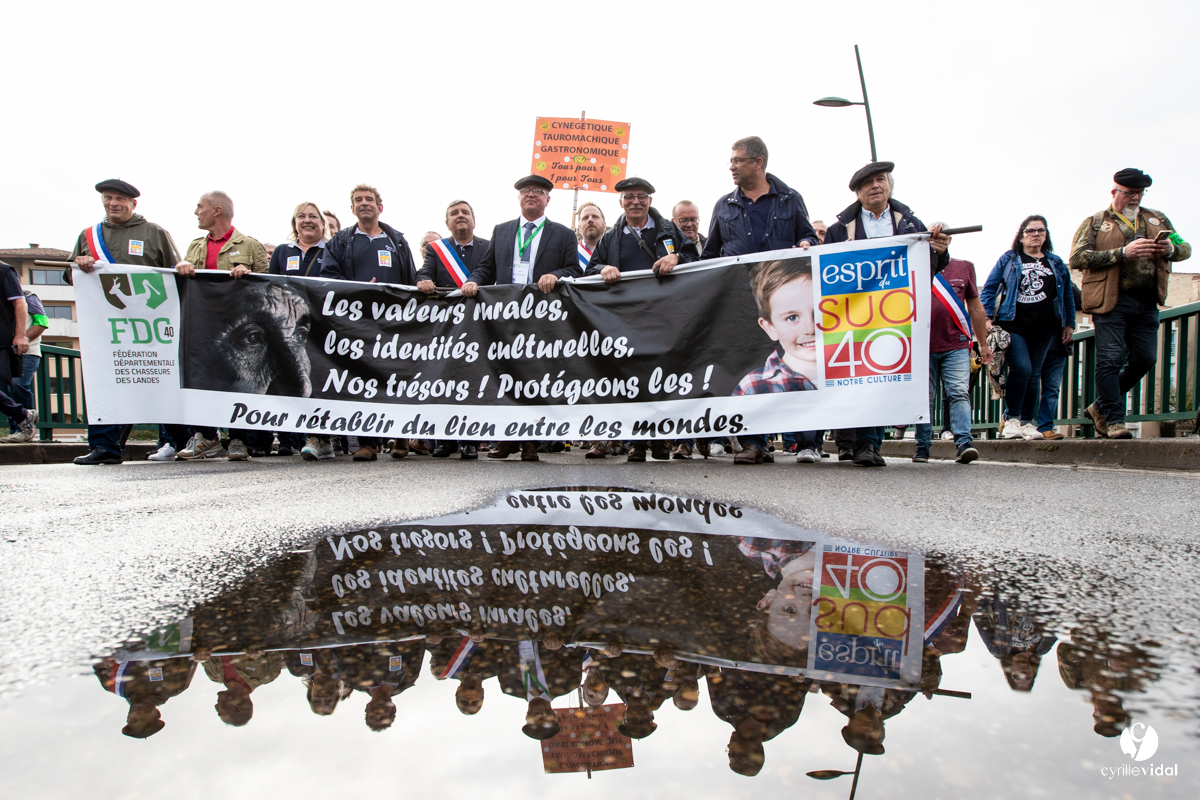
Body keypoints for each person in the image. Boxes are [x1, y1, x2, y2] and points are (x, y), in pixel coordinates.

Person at [700, 136, 818, 465]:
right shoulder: (724, 205)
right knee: (750, 367)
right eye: (731, 161)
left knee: (798, 363)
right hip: (739, 301)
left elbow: (807, 234)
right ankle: (753, 442)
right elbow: (710, 254)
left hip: (784, 298)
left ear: (758, 163)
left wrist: (807, 243)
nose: (731, 167)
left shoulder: (790, 199)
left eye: (737, 160)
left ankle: (807, 442)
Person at [825, 161, 951, 467]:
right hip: (853, 315)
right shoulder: (838, 230)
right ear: (857, 193)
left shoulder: (911, 224)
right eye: (867, 183)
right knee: (859, 377)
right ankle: (857, 440)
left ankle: (869, 443)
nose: (875, 186)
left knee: (884, 375)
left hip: (894, 313)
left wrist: (940, 250)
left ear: (890, 186)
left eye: (880, 179)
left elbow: (928, 268)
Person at [461, 175, 581, 462]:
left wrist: (556, 274)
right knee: (505, 374)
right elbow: (486, 268)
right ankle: (506, 438)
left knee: (533, 377)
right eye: (526, 191)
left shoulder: (563, 234)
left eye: (538, 191)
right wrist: (472, 281)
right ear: (518, 198)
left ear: (547, 199)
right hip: (505, 316)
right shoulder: (502, 230)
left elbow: (574, 270)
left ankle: (530, 441)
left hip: (541, 317)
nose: (531, 194)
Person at [1070, 168, 1191, 439]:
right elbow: (1077, 257)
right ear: (1114, 192)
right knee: (1110, 360)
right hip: (1110, 301)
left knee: (1145, 359)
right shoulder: (1096, 222)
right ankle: (1114, 420)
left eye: (1139, 193)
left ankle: (1099, 407)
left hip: (1146, 301)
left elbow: (1185, 248)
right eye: (1129, 193)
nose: (1135, 198)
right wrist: (1122, 253)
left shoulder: (1158, 219)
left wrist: (1171, 249)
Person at [584, 177, 700, 461]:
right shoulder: (610, 237)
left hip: (665, 318)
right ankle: (637, 442)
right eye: (629, 196)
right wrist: (603, 268)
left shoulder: (669, 230)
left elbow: (695, 259)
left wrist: (676, 258)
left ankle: (659, 441)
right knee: (632, 379)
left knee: (662, 377)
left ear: (650, 200)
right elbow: (590, 269)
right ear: (620, 202)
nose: (635, 201)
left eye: (641, 196)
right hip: (626, 321)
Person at [69, 179, 181, 465]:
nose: (113, 203)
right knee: (103, 381)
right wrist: (79, 265)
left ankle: (172, 441)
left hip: (150, 325)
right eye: (108, 197)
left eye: (120, 198)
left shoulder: (154, 232)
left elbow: (175, 275)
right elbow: (72, 278)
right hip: (108, 326)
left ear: (133, 203)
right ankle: (104, 446)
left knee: (158, 379)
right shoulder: (88, 235)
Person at [320, 184, 416, 460]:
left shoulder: (397, 241)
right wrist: (356, 288)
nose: (364, 203)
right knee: (362, 379)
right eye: (358, 200)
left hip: (394, 322)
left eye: (369, 199)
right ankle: (368, 443)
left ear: (379, 207)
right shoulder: (340, 242)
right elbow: (328, 277)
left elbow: (410, 279)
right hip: (358, 321)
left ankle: (400, 437)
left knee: (396, 378)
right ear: (352, 209)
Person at [175, 191, 271, 461]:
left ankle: (238, 439)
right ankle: (206, 436)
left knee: (235, 379)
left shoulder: (250, 245)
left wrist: (249, 276)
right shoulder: (195, 246)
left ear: (216, 210)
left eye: (200, 207)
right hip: (203, 326)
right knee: (201, 378)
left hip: (238, 328)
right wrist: (181, 267)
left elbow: (267, 286)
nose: (196, 212)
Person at [980, 216, 1075, 440]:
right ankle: (1011, 418)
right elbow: (989, 289)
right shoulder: (1009, 259)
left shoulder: (1056, 262)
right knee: (1022, 368)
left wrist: (1069, 323)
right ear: (1021, 236)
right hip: (1013, 323)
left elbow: (1067, 295)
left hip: (1045, 327)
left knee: (1034, 374)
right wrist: (987, 317)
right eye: (1031, 231)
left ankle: (1026, 422)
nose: (1036, 234)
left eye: (1041, 230)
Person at [416, 200, 491, 459]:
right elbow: (424, 272)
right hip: (447, 327)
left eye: (465, 212)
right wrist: (424, 280)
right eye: (454, 213)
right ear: (447, 223)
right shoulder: (437, 249)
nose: (460, 216)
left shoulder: (488, 247)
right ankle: (444, 440)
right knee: (444, 379)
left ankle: (470, 440)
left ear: (474, 220)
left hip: (479, 324)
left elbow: (491, 274)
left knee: (472, 380)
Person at [730, 259, 822, 465]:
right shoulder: (753, 383)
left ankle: (809, 445)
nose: (810, 328)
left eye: (818, 313)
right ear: (769, 326)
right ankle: (753, 443)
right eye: (792, 317)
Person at [913, 257, 993, 464]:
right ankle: (922, 446)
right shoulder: (913, 262)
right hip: (921, 345)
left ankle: (964, 443)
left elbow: (976, 307)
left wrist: (982, 344)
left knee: (958, 392)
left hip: (956, 343)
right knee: (925, 398)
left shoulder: (964, 267)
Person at [269, 201, 329, 458]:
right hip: (291, 329)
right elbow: (270, 285)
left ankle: (321, 438)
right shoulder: (282, 252)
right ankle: (304, 436)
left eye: (313, 216)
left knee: (321, 381)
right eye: (301, 216)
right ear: (294, 223)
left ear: (322, 224)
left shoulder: (332, 250)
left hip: (324, 327)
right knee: (294, 381)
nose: (307, 220)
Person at [1035, 283, 1083, 440]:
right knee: (1027, 384)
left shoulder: (1062, 280)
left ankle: (1045, 427)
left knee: (1052, 389)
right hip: (1034, 343)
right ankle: (1013, 418)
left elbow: (1079, 301)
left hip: (1058, 345)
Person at [0, 273, 40, 443]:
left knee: (18, 385)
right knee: (5, 389)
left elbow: (42, 322)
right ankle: (18, 428)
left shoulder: (29, 297)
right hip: (7, 350)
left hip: (26, 351)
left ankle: (24, 423)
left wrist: (23, 338)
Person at [575, 201, 606, 272]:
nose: (590, 220)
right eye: (585, 218)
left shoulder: (615, 252)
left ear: (604, 225)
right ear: (579, 227)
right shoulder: (571, 256)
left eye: (595, 217)